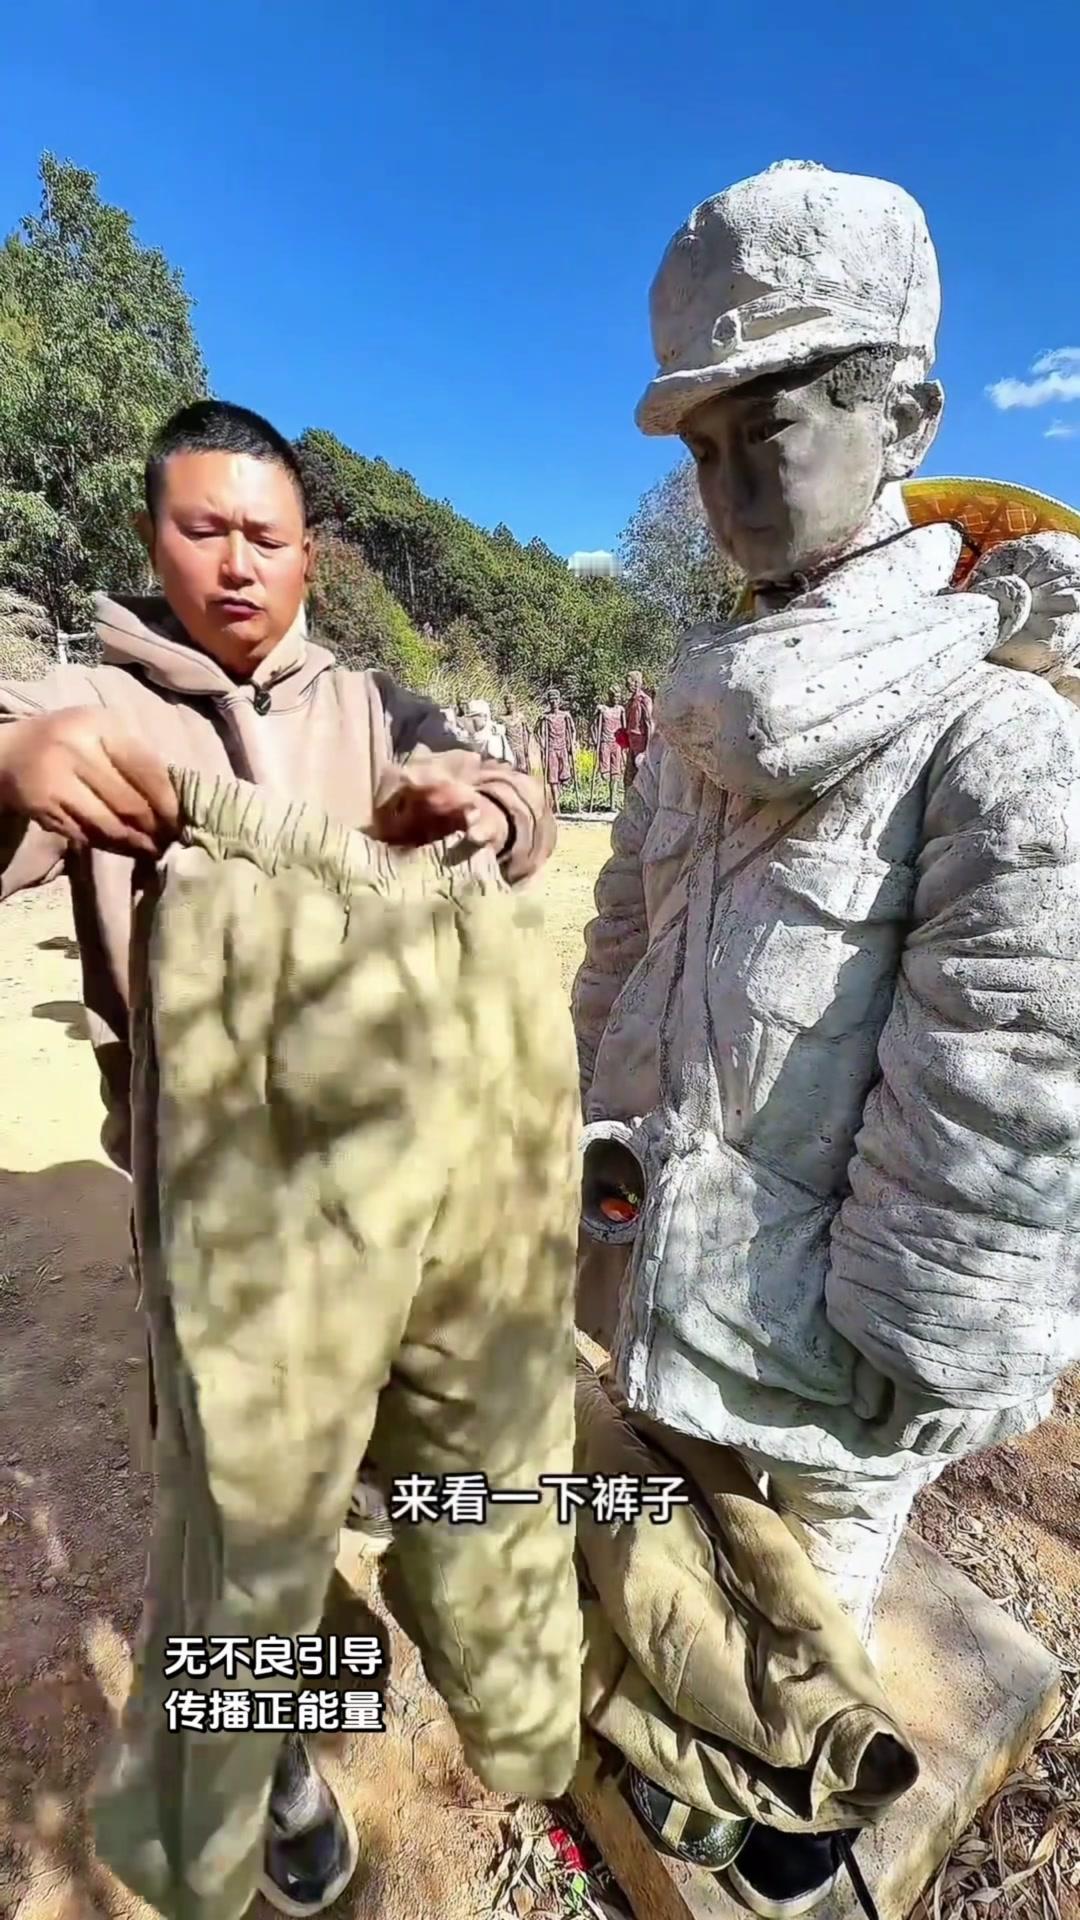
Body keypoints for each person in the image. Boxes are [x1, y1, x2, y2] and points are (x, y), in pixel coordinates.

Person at [573, 159, 1080, 1917]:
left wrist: (905, 1357)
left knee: (823, 1574)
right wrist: (593, 1143)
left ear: (906, 420)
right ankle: (710, 1740)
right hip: (677, 1256)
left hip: (844, 1336)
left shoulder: (997, 743)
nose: (725, 492)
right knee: (704, 1542)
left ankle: (800, 1807)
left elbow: (1001, 1091)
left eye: (768, 433)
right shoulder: (700, 718)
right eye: (700, 448)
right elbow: (622, 947)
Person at [0, 398, 554, 1917]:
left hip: (405, 1167)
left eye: (266, 535)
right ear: (153, 540)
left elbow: (516, 811)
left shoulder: (373, 703)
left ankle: (418, 1643)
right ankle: (282, 1760)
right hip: (219, 1202)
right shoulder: (93, 705)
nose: (237, 563)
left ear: (311, 553)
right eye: (204, 530)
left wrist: (481, 807)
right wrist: (16, 764)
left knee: (418, 1454)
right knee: (241, 1510)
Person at [622, 670, 652, 786]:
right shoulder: (630, 702)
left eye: (628, 682)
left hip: (641, 745)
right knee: (629, 779)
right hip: (632, 745)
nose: (626, 685)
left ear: (636, 683)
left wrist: (648, 749)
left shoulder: (644, 700)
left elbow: (649, 724)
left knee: (642, 778)